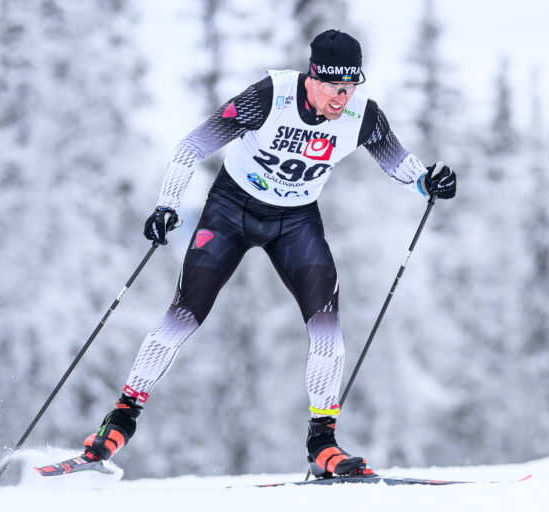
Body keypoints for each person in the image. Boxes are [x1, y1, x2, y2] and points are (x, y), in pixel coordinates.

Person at [70, 29, 455, 478]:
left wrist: (428, 181)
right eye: (334, 86)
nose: (342, 97)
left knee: (327, 326)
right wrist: (167, 204)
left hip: (295, 221)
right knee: (184, 315)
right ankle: (118, 422)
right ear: (312, 78)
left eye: (351, 86)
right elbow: (192, 145)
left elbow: (397, 162)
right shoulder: (269, 97)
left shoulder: (362, 116)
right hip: (231, 210)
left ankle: (322, 444)